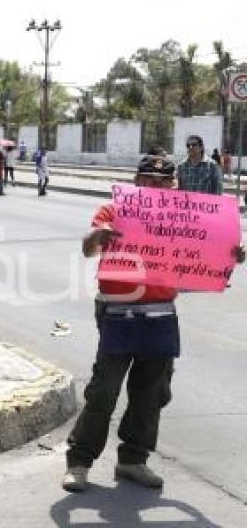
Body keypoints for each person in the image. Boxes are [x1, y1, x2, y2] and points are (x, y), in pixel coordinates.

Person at [62, 154, 246, 493]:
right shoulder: (115, 211)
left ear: (173, 184)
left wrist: (231, 255)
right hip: (118, 313)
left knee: (151, 395)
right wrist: (98, 237)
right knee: (103, 391)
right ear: (137, 181)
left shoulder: (186, 217)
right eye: (149, 180)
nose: (157, 186)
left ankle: (133, 460)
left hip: (161, 314)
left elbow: (209, 255)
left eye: (164, 181)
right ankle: (79, 463)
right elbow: (88, 247)